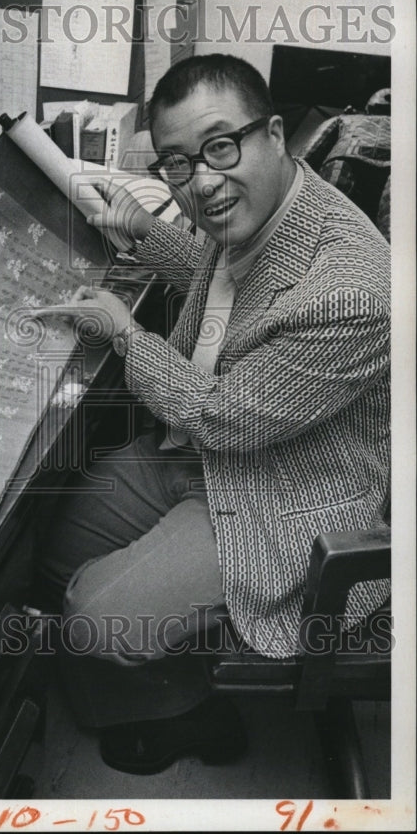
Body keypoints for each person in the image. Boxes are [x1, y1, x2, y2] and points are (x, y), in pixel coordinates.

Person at [38, 53, 391, 774]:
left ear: (273, 135)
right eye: (177, 163)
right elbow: (222, 269)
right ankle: (165, 674)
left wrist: (126, 336)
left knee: (93, 618)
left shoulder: (352, 288)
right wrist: (141, 228)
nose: (201, 181)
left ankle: (193, 715)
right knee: (51, 542)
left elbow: (226, 416)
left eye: (220, 146)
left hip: (285, 492)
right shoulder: (275, 206)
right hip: (207, 458)